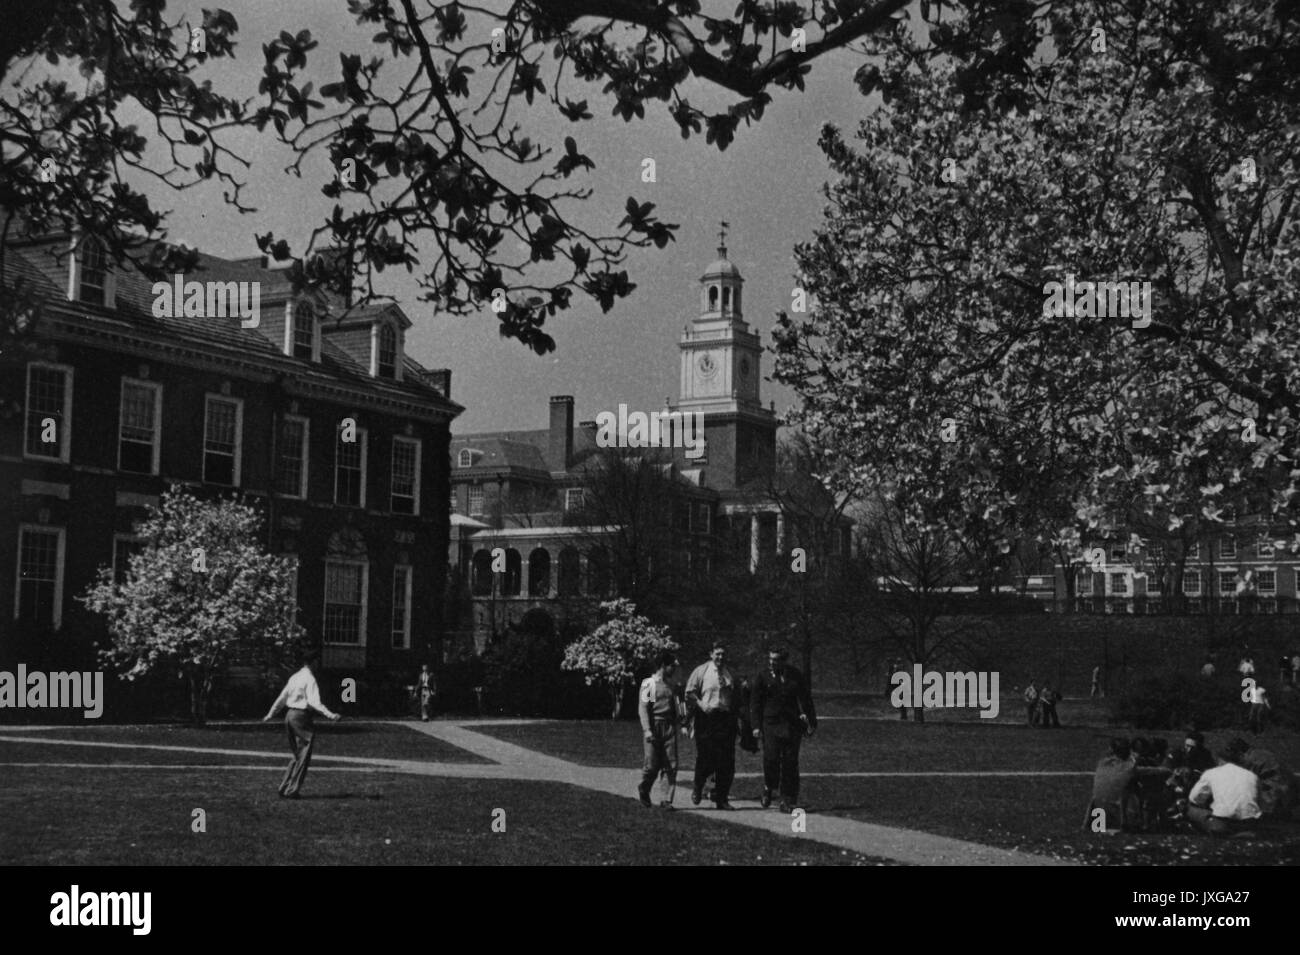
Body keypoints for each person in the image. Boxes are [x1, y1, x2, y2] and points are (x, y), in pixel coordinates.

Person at [263, 649, 341, 799]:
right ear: (313, 662)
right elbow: (314, 702)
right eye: (317, 661)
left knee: (297, 754)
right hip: (301, 716)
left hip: (289, 715)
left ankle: (284, 786)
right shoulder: (309, 678)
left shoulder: (295, 677)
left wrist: (270, 714)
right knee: (303, 754)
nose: (318, 664)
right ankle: (292, 790)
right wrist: (331, 715)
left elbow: (282, 697)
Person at [749, 647, 817, 813]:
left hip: (792, 725)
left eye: (777, 659)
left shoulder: (795, 675)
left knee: (790, 762)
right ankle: (768, 786)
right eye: (771, 659)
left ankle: (788, 800)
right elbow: (755, 703)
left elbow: (806, 699)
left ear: (784, 660)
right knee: (771, 758)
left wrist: (812, 723)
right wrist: (756, 726)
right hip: (770, 724)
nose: (772, 662)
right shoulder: (763, 676)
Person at [685, 642, 739, 810]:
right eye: (717, 654)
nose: (720, 658)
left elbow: (735, 696)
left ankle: (721, 798)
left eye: (723, 654)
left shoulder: (729, 673)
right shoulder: (701, 671)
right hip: (707, 718)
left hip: (725, 719)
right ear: (711, 654)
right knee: (706, 757)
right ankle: (698, 786)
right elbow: (689, 693)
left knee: (727, 761)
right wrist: (702, 704)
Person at [638, 650, 684, 810]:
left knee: (670, 764)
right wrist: (647, 730)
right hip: (654, 726)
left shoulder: (671, 685)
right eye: (672, 666)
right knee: (651, 765)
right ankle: (644, 788)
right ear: (664, 666)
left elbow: (678, 705)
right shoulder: (649, 684)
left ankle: (666, 800)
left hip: (669, 727)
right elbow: (644, 709)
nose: (674, 669)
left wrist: (682, 719)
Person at [1186, 749, 1262, 836]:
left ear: (1220, 760)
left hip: (1223, 822)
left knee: (1190, 808)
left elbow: (1194, 798)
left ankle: (1206, 830)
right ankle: (1244, 831)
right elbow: (1259, 801)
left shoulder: (1211, 773)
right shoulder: (1252, 776)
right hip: (1249, 822)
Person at [1224, 737, 1296, 820]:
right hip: (1288, 794)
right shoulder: (1261, 754)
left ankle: (1271, 813)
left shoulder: (1251, 759)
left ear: (1240, 754)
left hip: (1276, 797)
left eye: (1234, 757)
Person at [1085, 738, 1139, 832]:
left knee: (1099, 795)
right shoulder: (1130, 766)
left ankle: (1087, 823)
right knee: (1130, 787)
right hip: (1116, 821)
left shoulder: (1102, 764)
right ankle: (1126, 823)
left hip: (1098, 820)